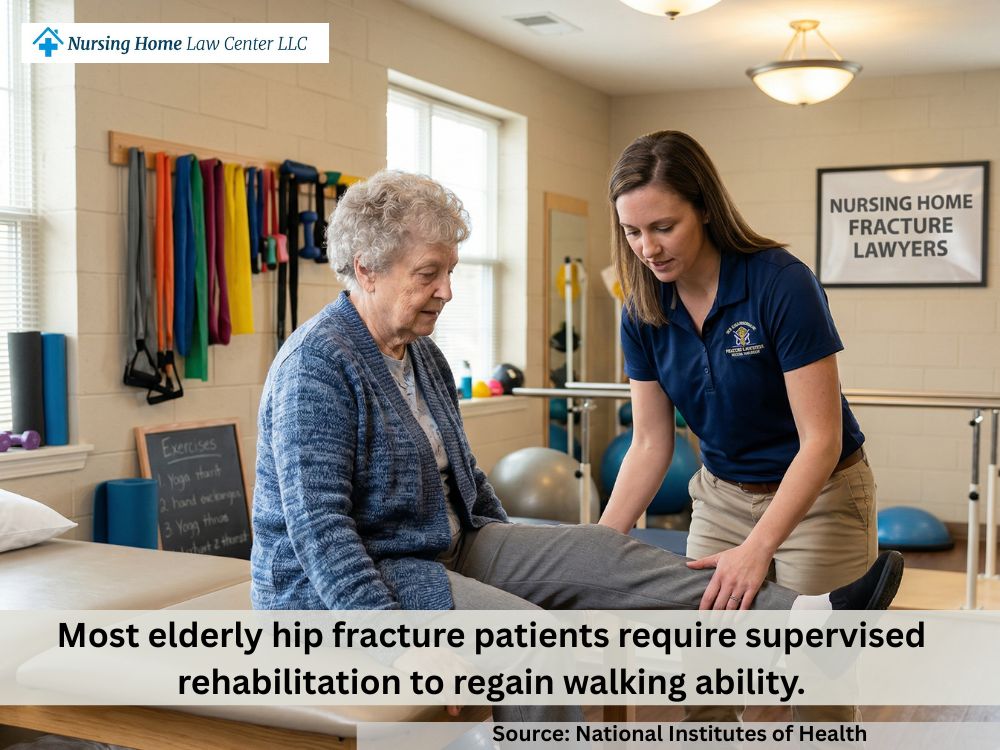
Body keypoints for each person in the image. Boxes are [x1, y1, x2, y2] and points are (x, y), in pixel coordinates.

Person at [251, 169, 902, 724]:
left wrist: (536, 563)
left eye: (449, 271)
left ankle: (810, 617)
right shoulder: (317, 366)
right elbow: (320, 533)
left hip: (445, 545)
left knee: (598, 547)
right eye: (430, 274)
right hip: (355, 582)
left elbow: (467, 481)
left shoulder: (422, 355)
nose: (447, 291)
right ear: (366, 270)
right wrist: (399, 648)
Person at [599, 130, 878, 722]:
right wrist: (595, 549)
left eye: (664, 226)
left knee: (814, 692)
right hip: (722, 496)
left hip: (820, 496)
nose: (648, 248)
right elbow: (650, 443)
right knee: (705, 684)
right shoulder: (643, 310)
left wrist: (758, 548)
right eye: (632, 232)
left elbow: (821, 440)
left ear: (704, 208)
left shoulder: (780, 283)